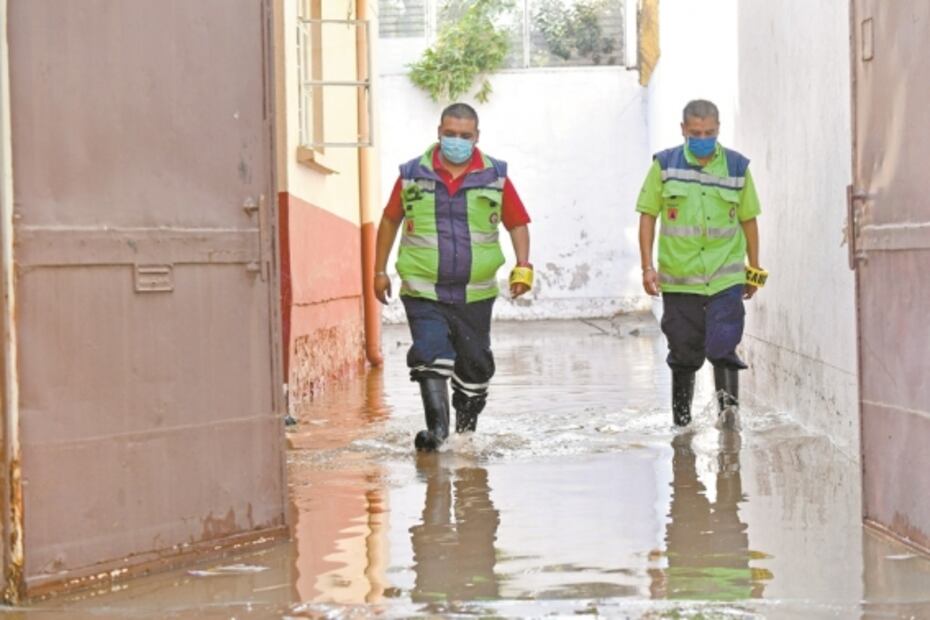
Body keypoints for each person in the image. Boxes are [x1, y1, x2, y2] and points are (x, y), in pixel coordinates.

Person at [374, 103, 533, 452]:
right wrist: (379, 270)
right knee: (431, 354)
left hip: (474, 294)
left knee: (474, 367)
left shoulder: (496, 176)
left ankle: (464, 436)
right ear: (438, 133)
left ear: (477, 137)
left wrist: (523, 266)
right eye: (450, 134)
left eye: (465, 136)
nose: (457, 141)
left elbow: (517, 223)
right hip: (422, 288)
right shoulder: (412, 174)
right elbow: (389, 221)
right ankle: (437, 436)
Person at [636, 99, 768, 427]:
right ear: (683, 130)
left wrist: (755, 269)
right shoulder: (664, 166)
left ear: (718, 129)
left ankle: (729, 418)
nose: (703, 138)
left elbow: (749, 220)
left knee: (724, 344)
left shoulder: (737, 168)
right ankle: (682, 425)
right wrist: (647, 267)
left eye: (709, 132)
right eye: (695, 132)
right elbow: (647, 216)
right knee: (684, 353)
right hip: (680, 278)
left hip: (726, 278)